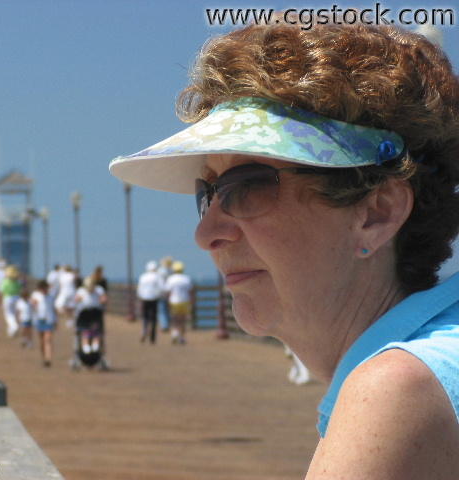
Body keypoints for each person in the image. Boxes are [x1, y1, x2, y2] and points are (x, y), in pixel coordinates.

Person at [109, 18, 459, 477]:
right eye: (207, 194)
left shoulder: (396, 388)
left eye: (247, 187)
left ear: (376, 212)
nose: (206, 233)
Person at [164, 261, 193, 345]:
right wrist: (192, 301)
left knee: (175, 319)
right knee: (183, 319)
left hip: (174, 301)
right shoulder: (186, 278)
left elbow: (168, 292)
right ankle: (182, 337)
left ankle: (174, 333)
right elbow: (191, 291)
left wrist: (167, 301)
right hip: (185, 301)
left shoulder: (171, 279)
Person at [136, 260, 164, 344]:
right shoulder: (157, 276)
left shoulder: (143, 276)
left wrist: (140, 296)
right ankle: (152, 337)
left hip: (144, 298)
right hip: (154, 299)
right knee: (154, 318)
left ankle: (144, 330)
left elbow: (139, 288)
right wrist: (160, 294)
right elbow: (162, 287)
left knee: (145, 317)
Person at [30, 280, 57, 367]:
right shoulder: (36, 295)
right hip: (39, 319)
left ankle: (48, 358)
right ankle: (44, 357)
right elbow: (31, 303)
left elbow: (54, 309)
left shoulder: (51, 296)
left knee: (48, 339)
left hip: (49, 320)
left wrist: (56, 321)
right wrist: (33, 303)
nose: (44, 290)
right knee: (41, 341)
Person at [0, 265, 22, 337]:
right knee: (14, 314)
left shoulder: (5, 281)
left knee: (8, 314)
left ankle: (14, 327)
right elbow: (20, 290)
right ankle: (11, 331)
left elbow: (1, 291)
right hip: (17, 298)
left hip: (8, 298)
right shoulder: (18, 282)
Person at [156, 256, 172, 331]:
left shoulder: (160, 271)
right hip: (169, 293)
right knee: (167, 309)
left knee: (162, 310)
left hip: (161, 292)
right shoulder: (170, 271)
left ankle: (164, 325)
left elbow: (159, 283)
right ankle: (167, 324)